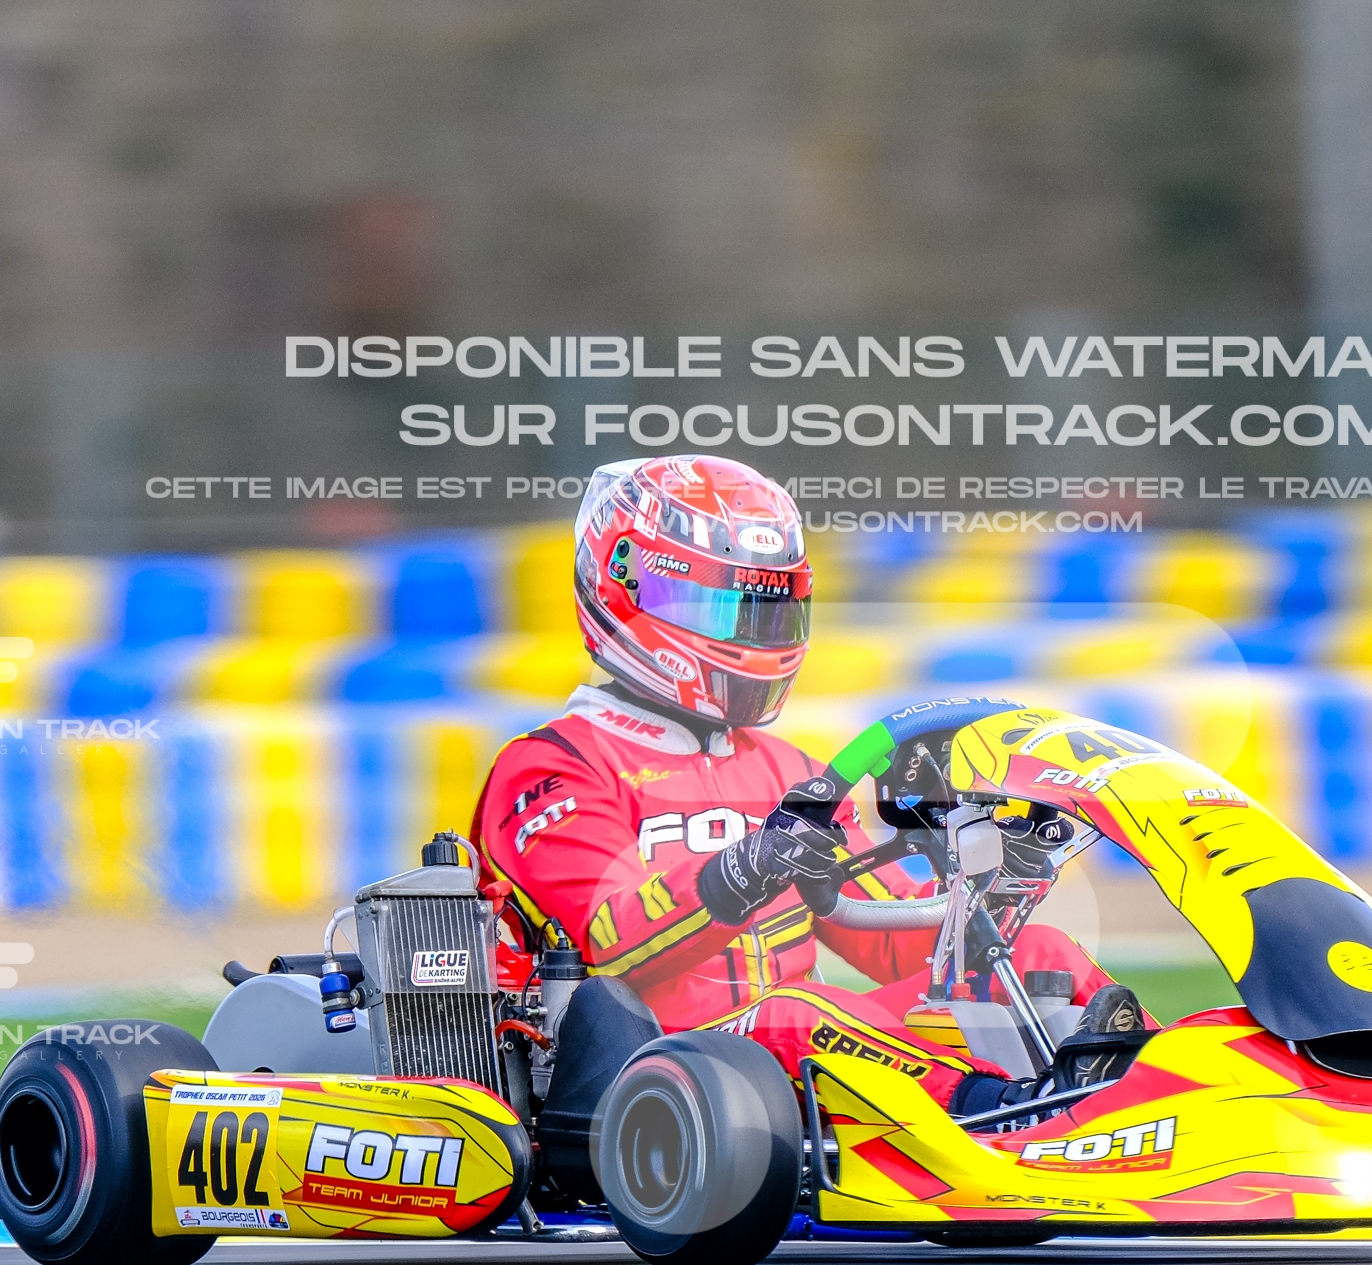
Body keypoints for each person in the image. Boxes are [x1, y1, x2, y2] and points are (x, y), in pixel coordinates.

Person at [468, 454, 1138, 1113]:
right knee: (795, 1011)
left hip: (791, 1072)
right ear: (631, 586)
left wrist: (992, 877)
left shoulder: (787, 769)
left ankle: (1159, 1091)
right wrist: (743, 869)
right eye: (726, 608)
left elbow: (895, 945)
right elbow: (607, 942)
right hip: (649, 1074)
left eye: (767, 612)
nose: (752, 634)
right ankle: (999, 1108)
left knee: (1043, 953)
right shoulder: (552, 767)